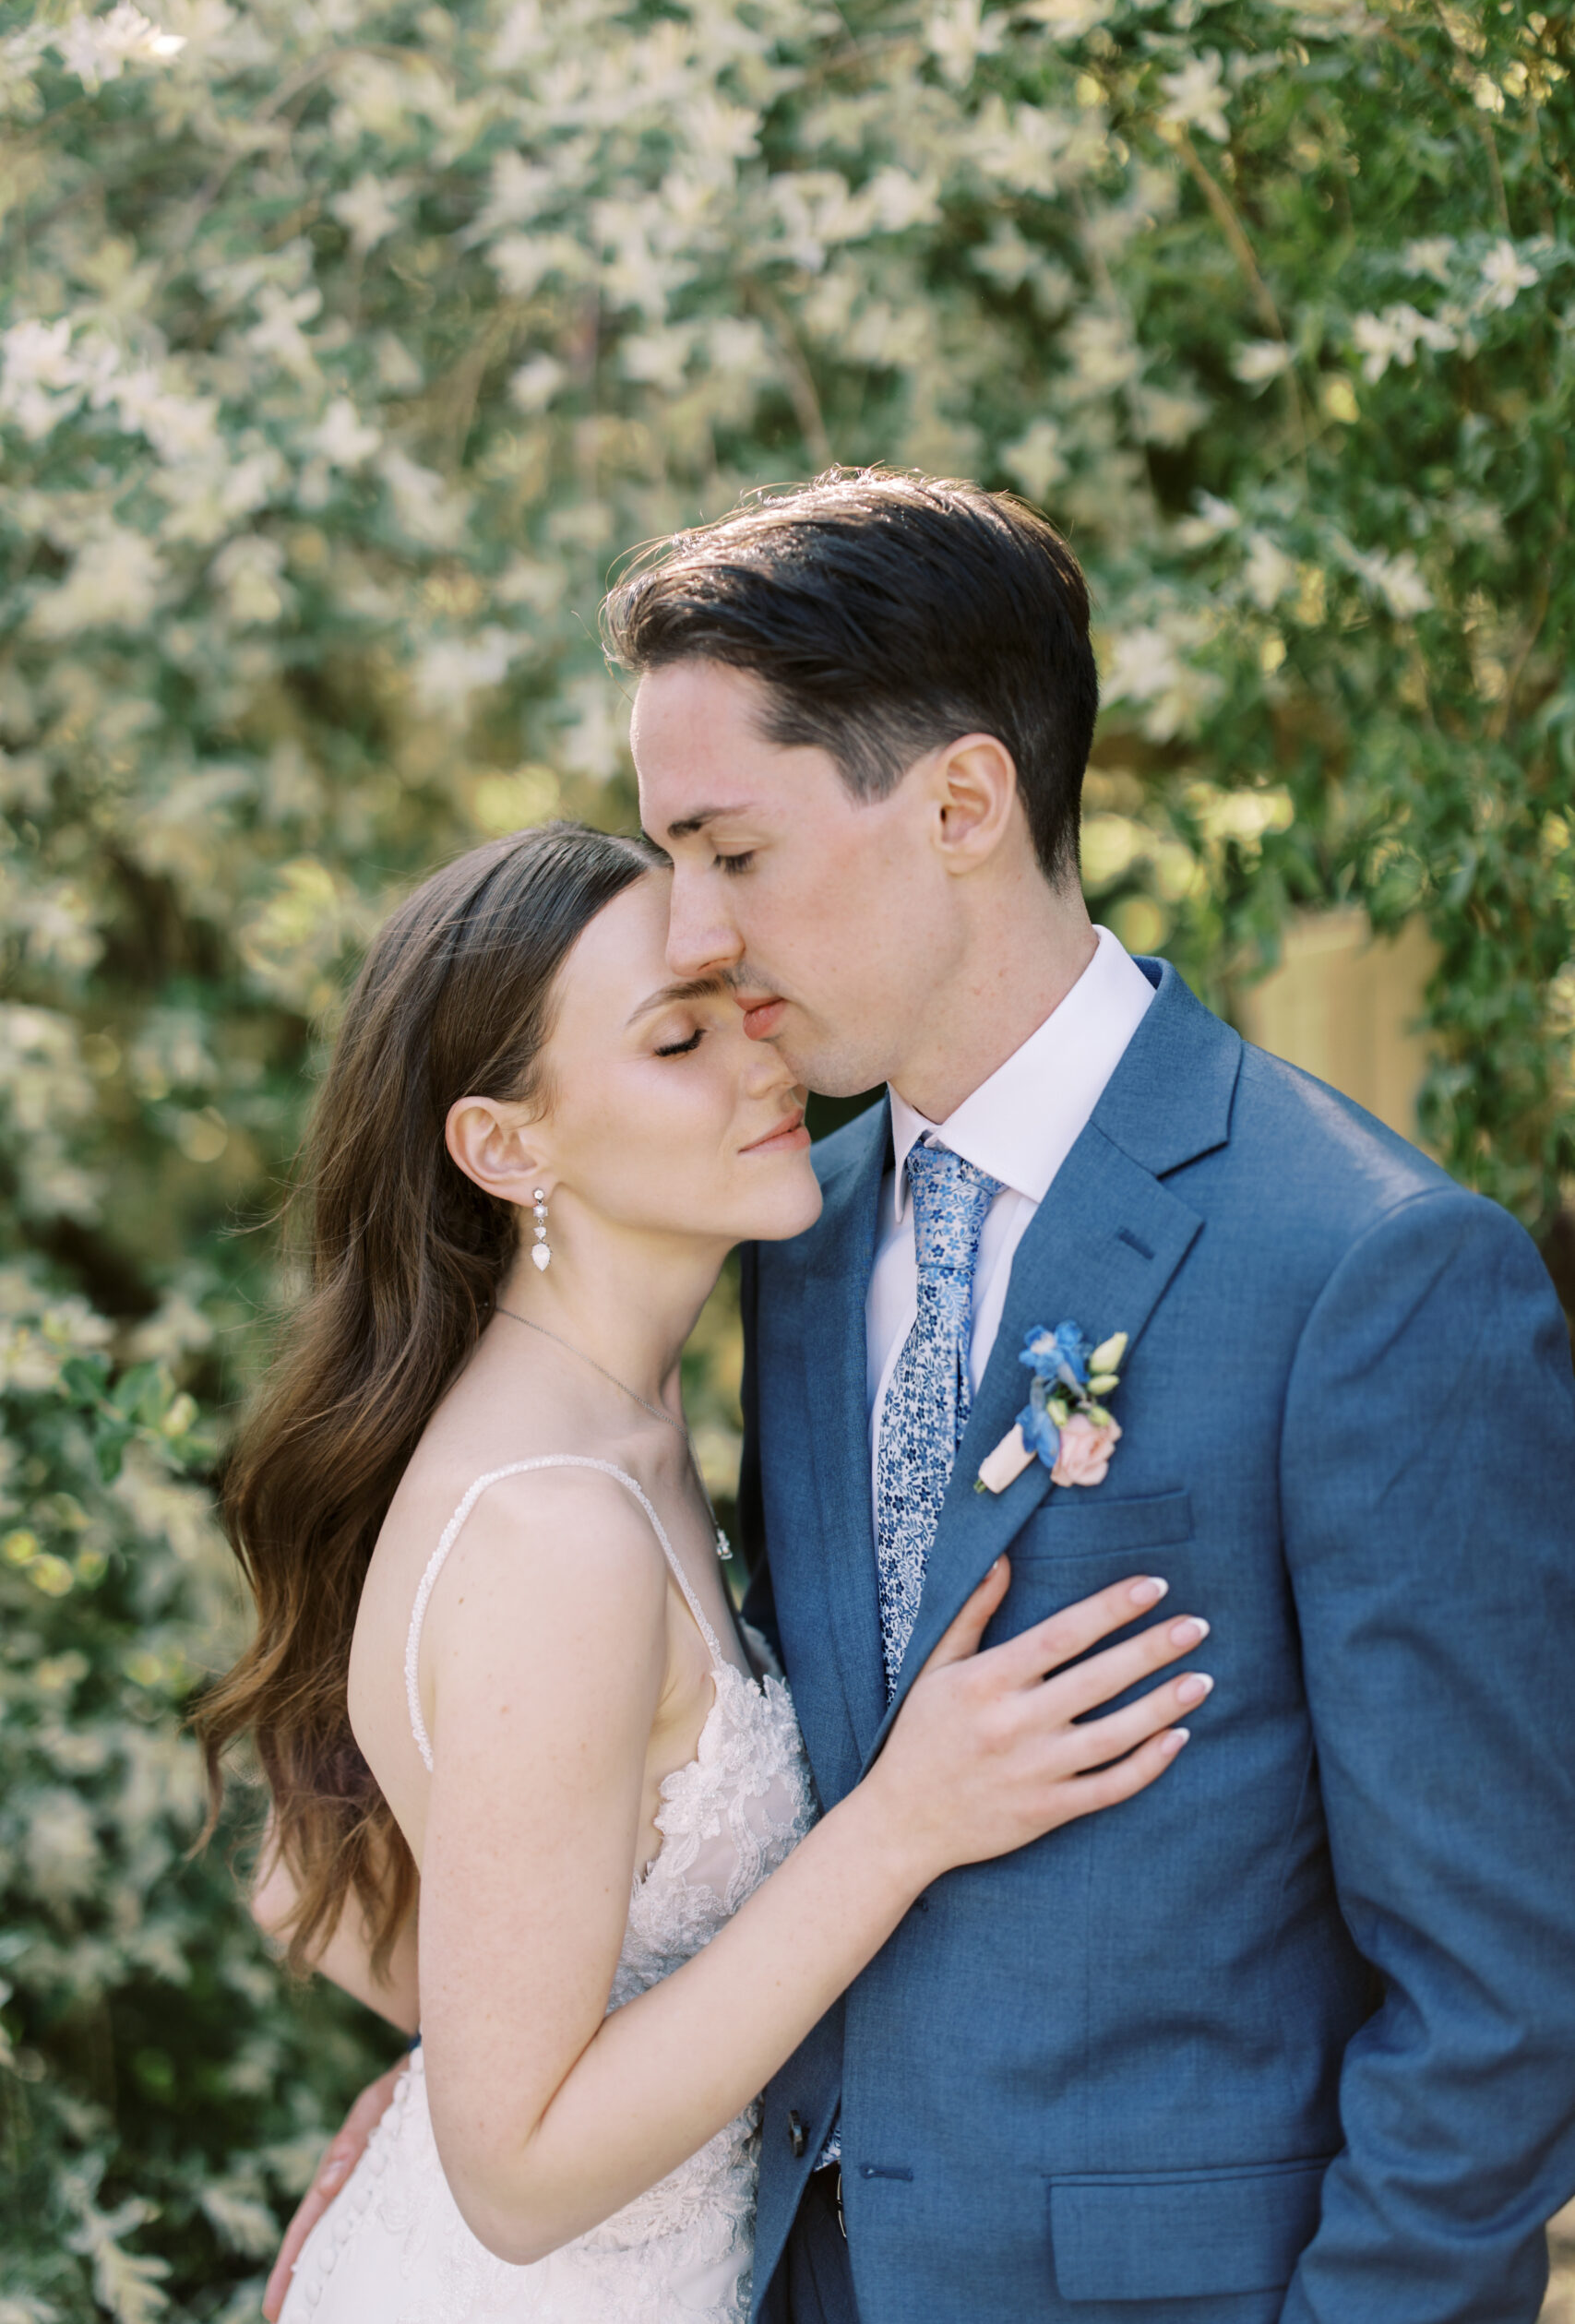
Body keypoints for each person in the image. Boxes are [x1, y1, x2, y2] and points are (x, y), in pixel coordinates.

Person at [268, 469, 1575, 2323]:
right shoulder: (790, 1248)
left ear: (960, 801)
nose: (696, 932)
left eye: (729, 850)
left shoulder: (1366, 1271)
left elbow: (1504, 2001)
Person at [203, 820, 1212, 2324]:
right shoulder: (556, 1534)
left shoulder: (622, 1424)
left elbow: (305, 1882)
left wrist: (455, 2072)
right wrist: (900, 1827)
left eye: (743, 1008)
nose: (765, 1064)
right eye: (679, 1041)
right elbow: (521, 2180)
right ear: (505, 1144)